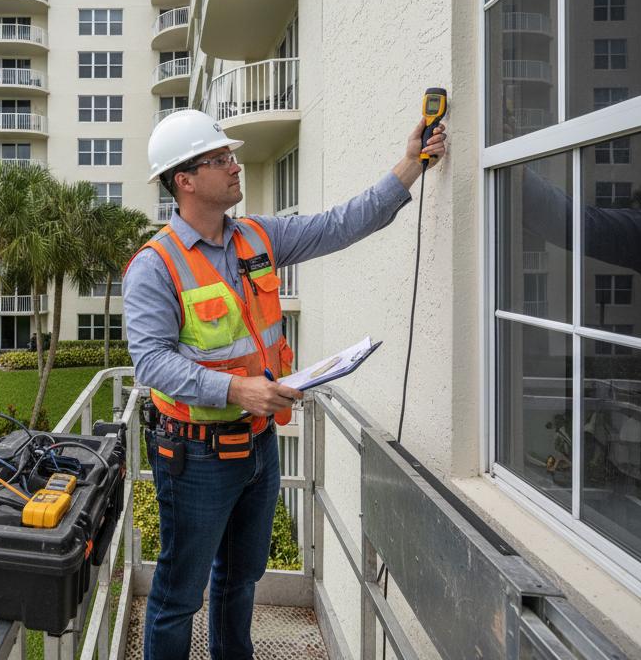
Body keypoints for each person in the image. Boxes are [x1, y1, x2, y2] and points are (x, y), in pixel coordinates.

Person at [124, 108, 447, 659]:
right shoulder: (155, 266)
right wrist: (238, 390)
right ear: (184, 180)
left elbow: (343, 223)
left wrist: (411, 164)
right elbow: (151, 362)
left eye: (231, 156)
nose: (235, 166)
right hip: (195, 458)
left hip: (257, 445)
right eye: (220, 159)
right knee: (178, 597)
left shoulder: (258, 237)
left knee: (240, 580)